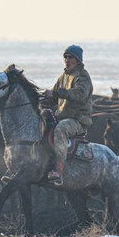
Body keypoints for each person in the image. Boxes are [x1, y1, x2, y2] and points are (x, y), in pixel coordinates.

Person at [42, 44, 93, 185]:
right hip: (62, 117)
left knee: (60, 130)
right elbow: (53, 98)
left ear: (78, 60)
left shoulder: (83, 77)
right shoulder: (63, 77)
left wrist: (57, 93)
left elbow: (80, 95)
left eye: (70, 57)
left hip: (78, 121)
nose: (67, 60)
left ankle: (59, 171)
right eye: (65, 57)